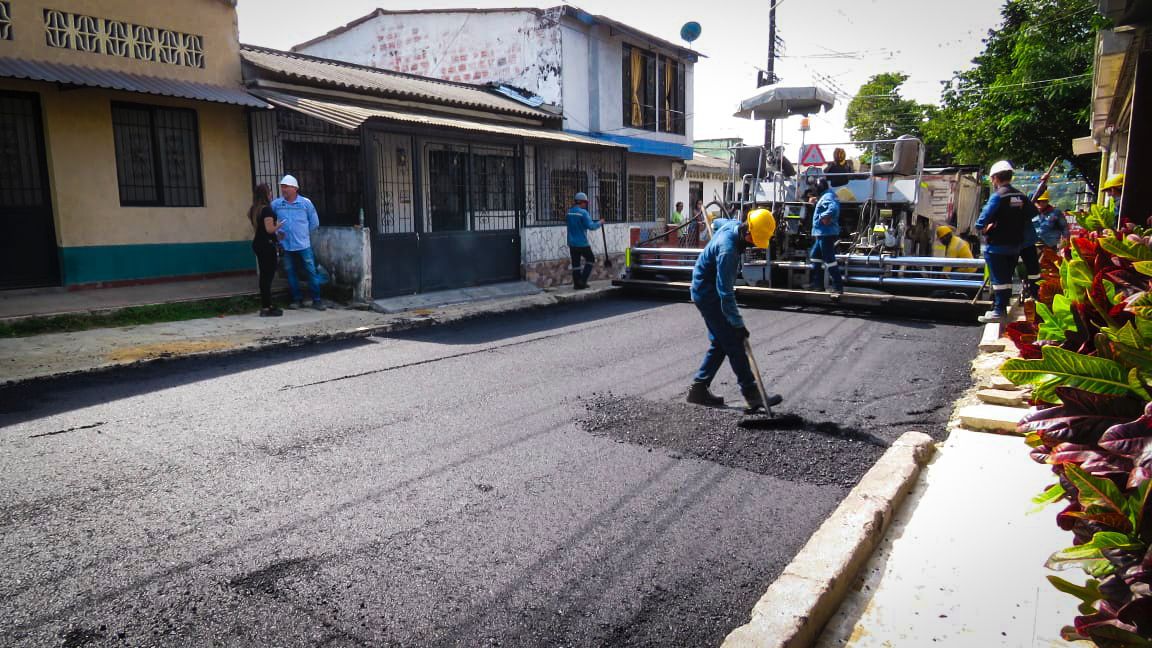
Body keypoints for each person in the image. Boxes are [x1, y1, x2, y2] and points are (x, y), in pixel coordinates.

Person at [687, 209, 783, 412]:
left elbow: (716, 223)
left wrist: (713, 232)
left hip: (706, 287)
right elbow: (725, 294)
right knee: (733, 342)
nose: (753, 245)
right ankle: (752, 394)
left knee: (720, 342)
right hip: (708, 294)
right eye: (754, 241)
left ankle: (699, 389)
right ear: (748, 232)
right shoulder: (728, 251)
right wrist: (738, 325)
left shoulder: (732, 225)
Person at [975, 161, 1037, 323]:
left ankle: (998, 311)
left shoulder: (998, 196)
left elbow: (981, 220)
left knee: (999, 281)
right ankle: (1001, 308)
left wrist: (984, 226)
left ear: (996, 178)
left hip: (996, 246)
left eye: (992, 179)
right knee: (1007, 279)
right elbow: (1032, 212)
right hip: (1015, 246)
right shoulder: (1021, 196)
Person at [271, 174, 325, 311]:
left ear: (295, 188)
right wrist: (277, 234)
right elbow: (270, 221)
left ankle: (317, 300)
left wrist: (303, 234)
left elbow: (314, 222)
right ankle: (297, 299)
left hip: (303, 245)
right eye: (282, 187)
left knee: (311, 272)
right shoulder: (277, 204)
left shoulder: (305, 203)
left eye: (286, 187)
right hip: (286, 245)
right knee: (290, 273)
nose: (284, 190)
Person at [249, 183, 283, 317]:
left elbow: (261, 229)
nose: (271, 194)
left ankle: (266, 305)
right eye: (269, 192)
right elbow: (269, 229)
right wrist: (278, 225)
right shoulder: (267, 210)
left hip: (258, 243)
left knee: (264, 276)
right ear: (266, 194)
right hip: (266, 246)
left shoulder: (254, 210)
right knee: (267, 277)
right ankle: (267, 307)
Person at [809, 178, 844, 293]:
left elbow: (833, 208)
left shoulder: (827, 196)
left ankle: (838, 287)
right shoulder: (827, 195)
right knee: (815, 256)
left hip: (825, 233)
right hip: (822, 233)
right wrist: (817, 202)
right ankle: (817, 285)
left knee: (829, 260)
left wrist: (823, 217)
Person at [566, 191, 602, 289]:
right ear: (582, 202)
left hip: (572, 242)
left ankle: (577, 284)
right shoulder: (583, 213)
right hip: (582, 243)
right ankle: (582, 280)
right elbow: (591, 226)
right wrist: (600, 222)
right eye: (586, 202)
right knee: (590, 259)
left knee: (576, 264)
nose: (586, 205)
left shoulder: (569, 212)